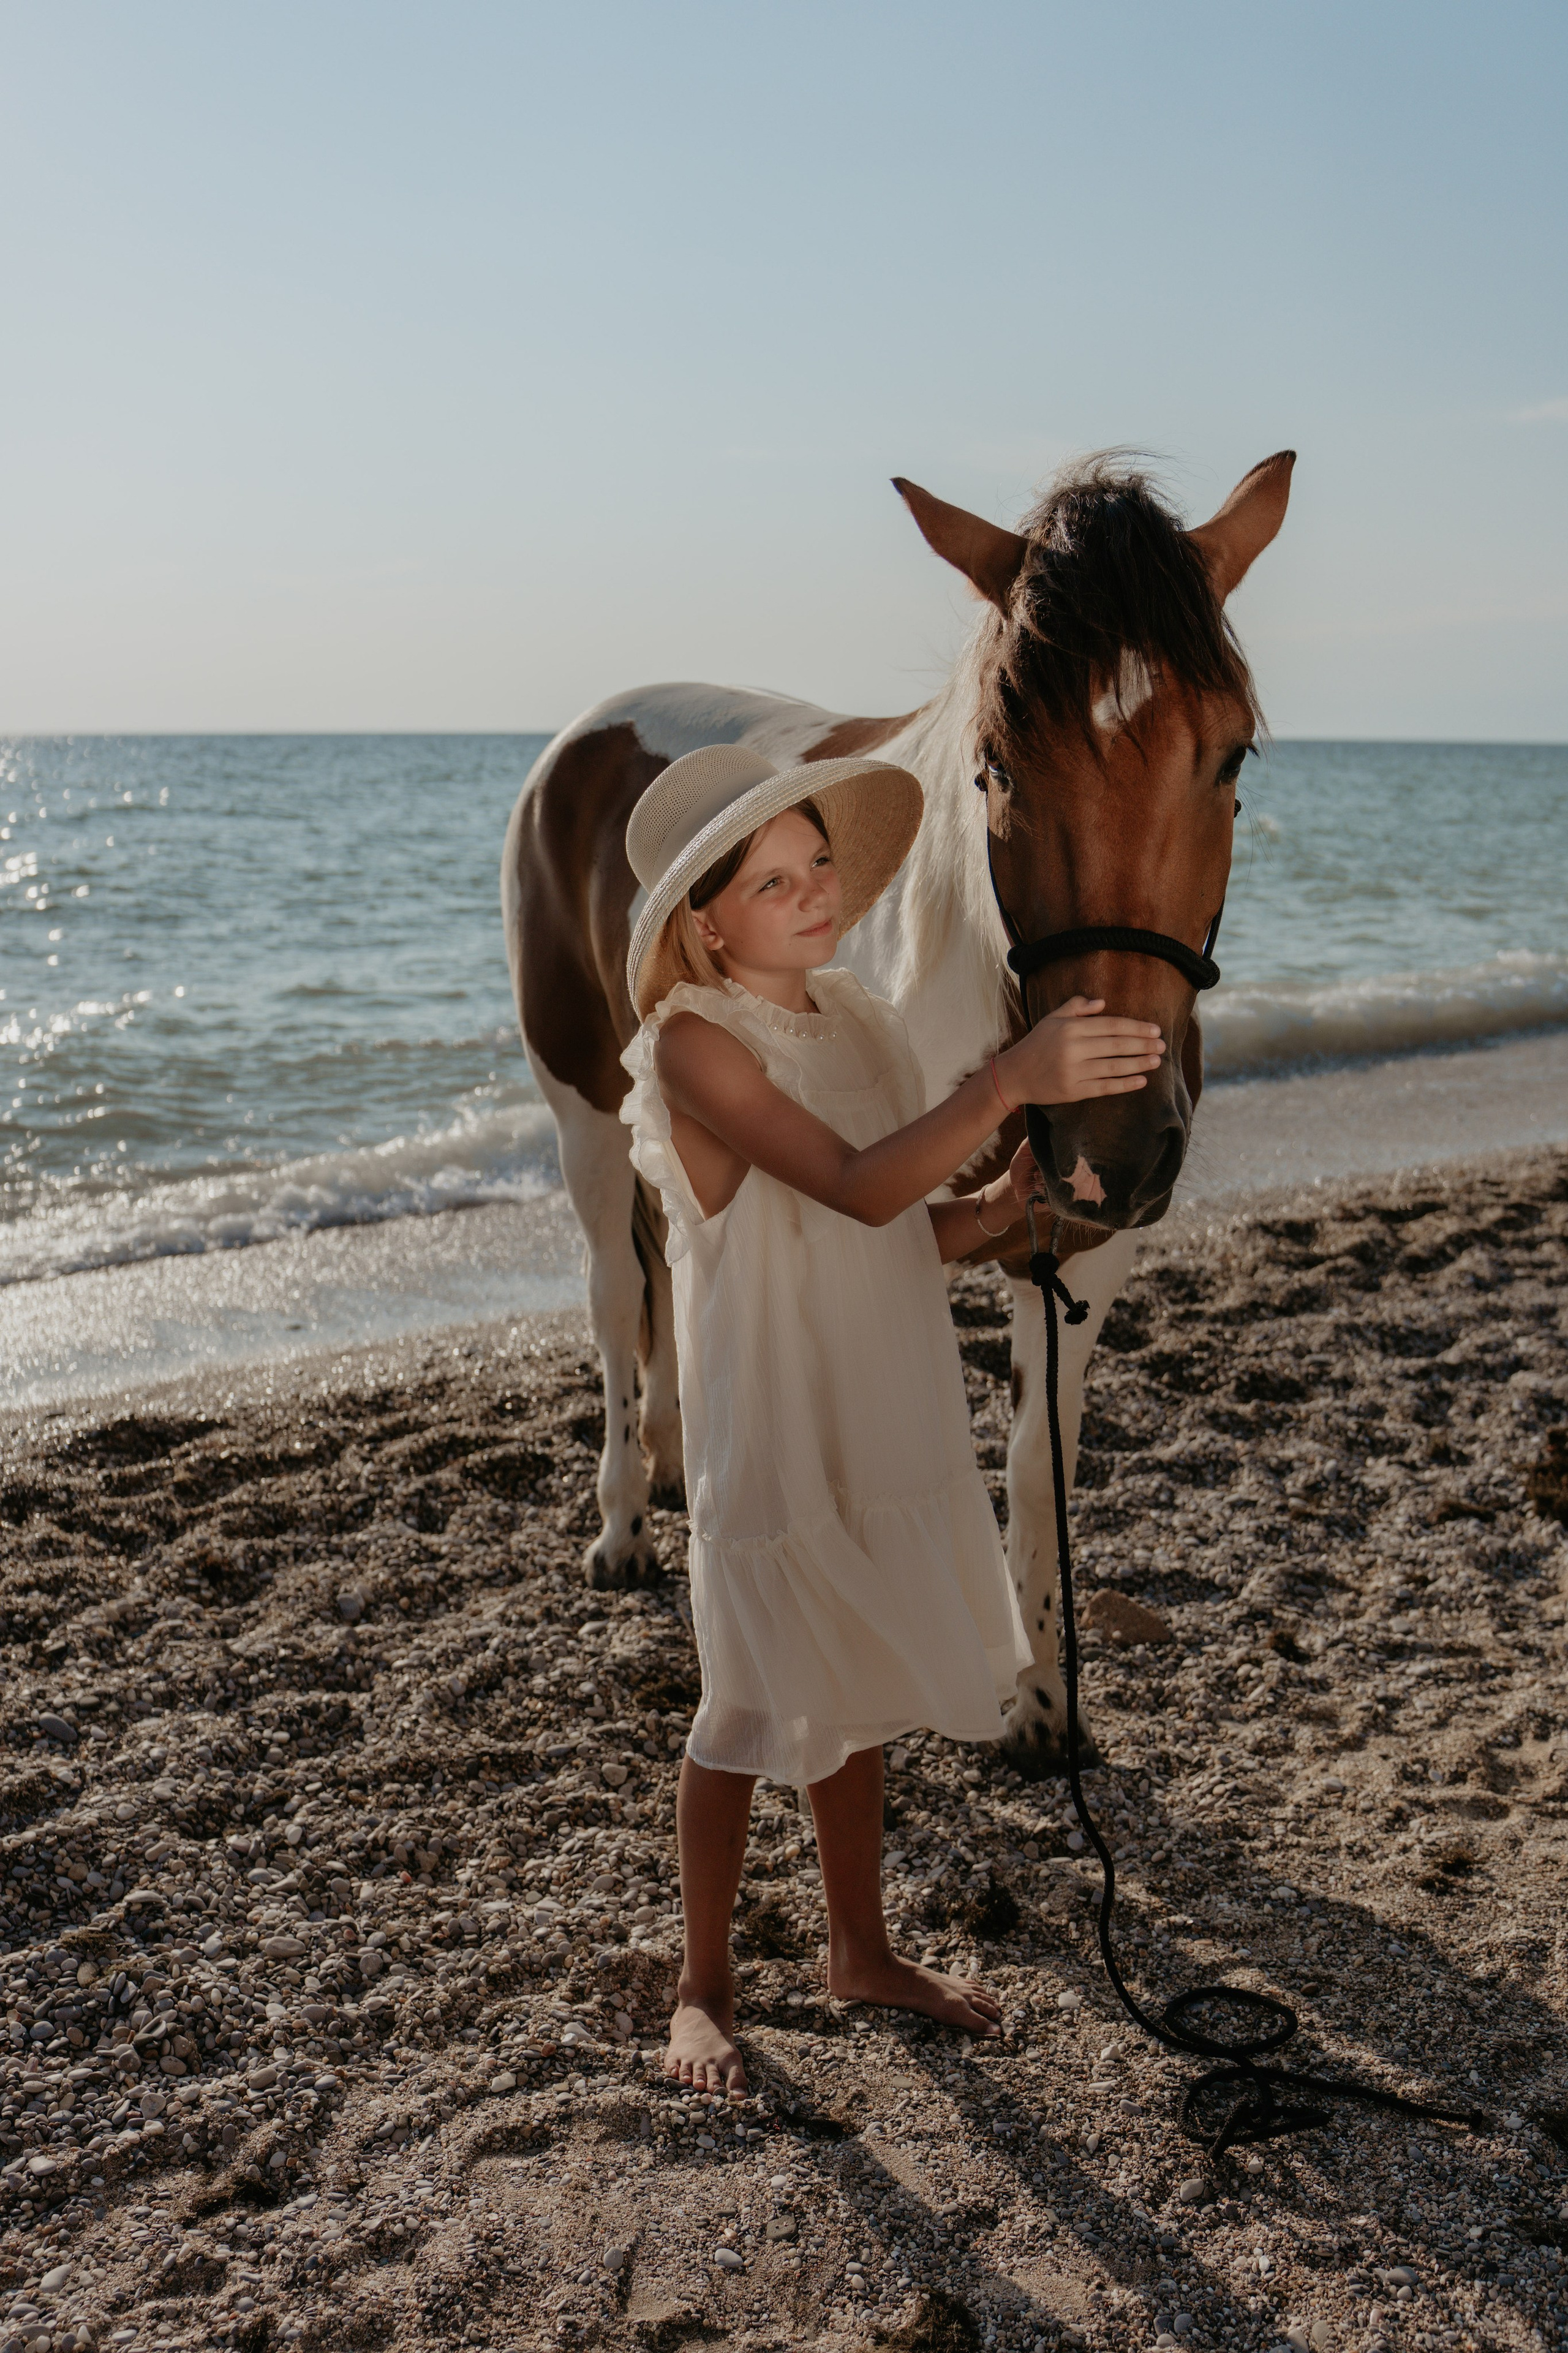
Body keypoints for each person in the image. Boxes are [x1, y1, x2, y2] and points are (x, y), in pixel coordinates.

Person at [618, 743, 1166, 2096]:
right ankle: (700, 1986)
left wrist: (1003, 1208)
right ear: (706, 918)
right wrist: (1002, 1084)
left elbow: (893, 1231)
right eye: (771, 881)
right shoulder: (692, 1043)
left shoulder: (856, 1020)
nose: (811, 895)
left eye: (818, 868)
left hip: (868, 1383)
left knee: (847, 1670)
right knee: (744, 1693)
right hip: (769, 1400)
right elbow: (852, 1186)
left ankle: (856, 1949)